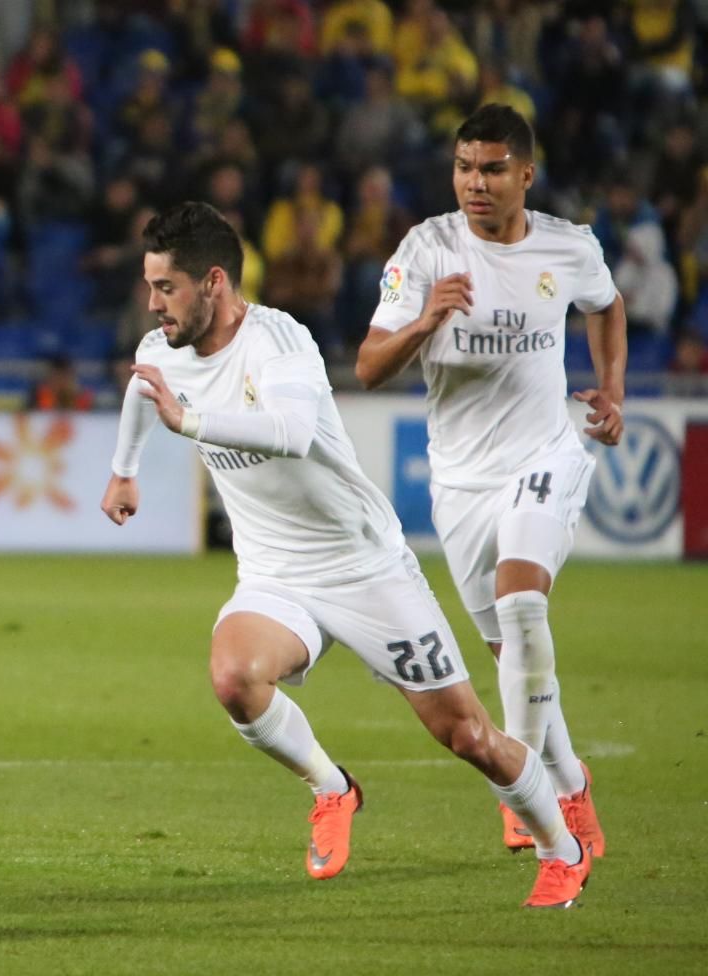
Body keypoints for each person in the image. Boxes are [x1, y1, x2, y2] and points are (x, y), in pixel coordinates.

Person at [103, 201, 590, 908]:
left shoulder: (279, 340)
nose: (153, 305)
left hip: (365, 568)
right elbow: (142, 391)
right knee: (234, 677)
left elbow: (294, 430)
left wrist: (192, 420)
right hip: (276, 573)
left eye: (165, 288)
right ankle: (333, 789)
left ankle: (562, 848)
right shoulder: (161, 350)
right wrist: (125, 469)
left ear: (213, 281)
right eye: (150, 287)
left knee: (467, 735)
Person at [355, 105, 622, 859]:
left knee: (522, 601)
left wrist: (613, 388)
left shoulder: (569, 247)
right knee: (509, 649)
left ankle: (521, 784)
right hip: (461, 481)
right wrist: (423, 321)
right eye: (465, 167)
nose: (476, 183)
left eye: (493, 169)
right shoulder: (427, 251)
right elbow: (370, 368)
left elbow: (606, 305)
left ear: (525, 176)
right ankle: (568, 785)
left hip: (546, 452)